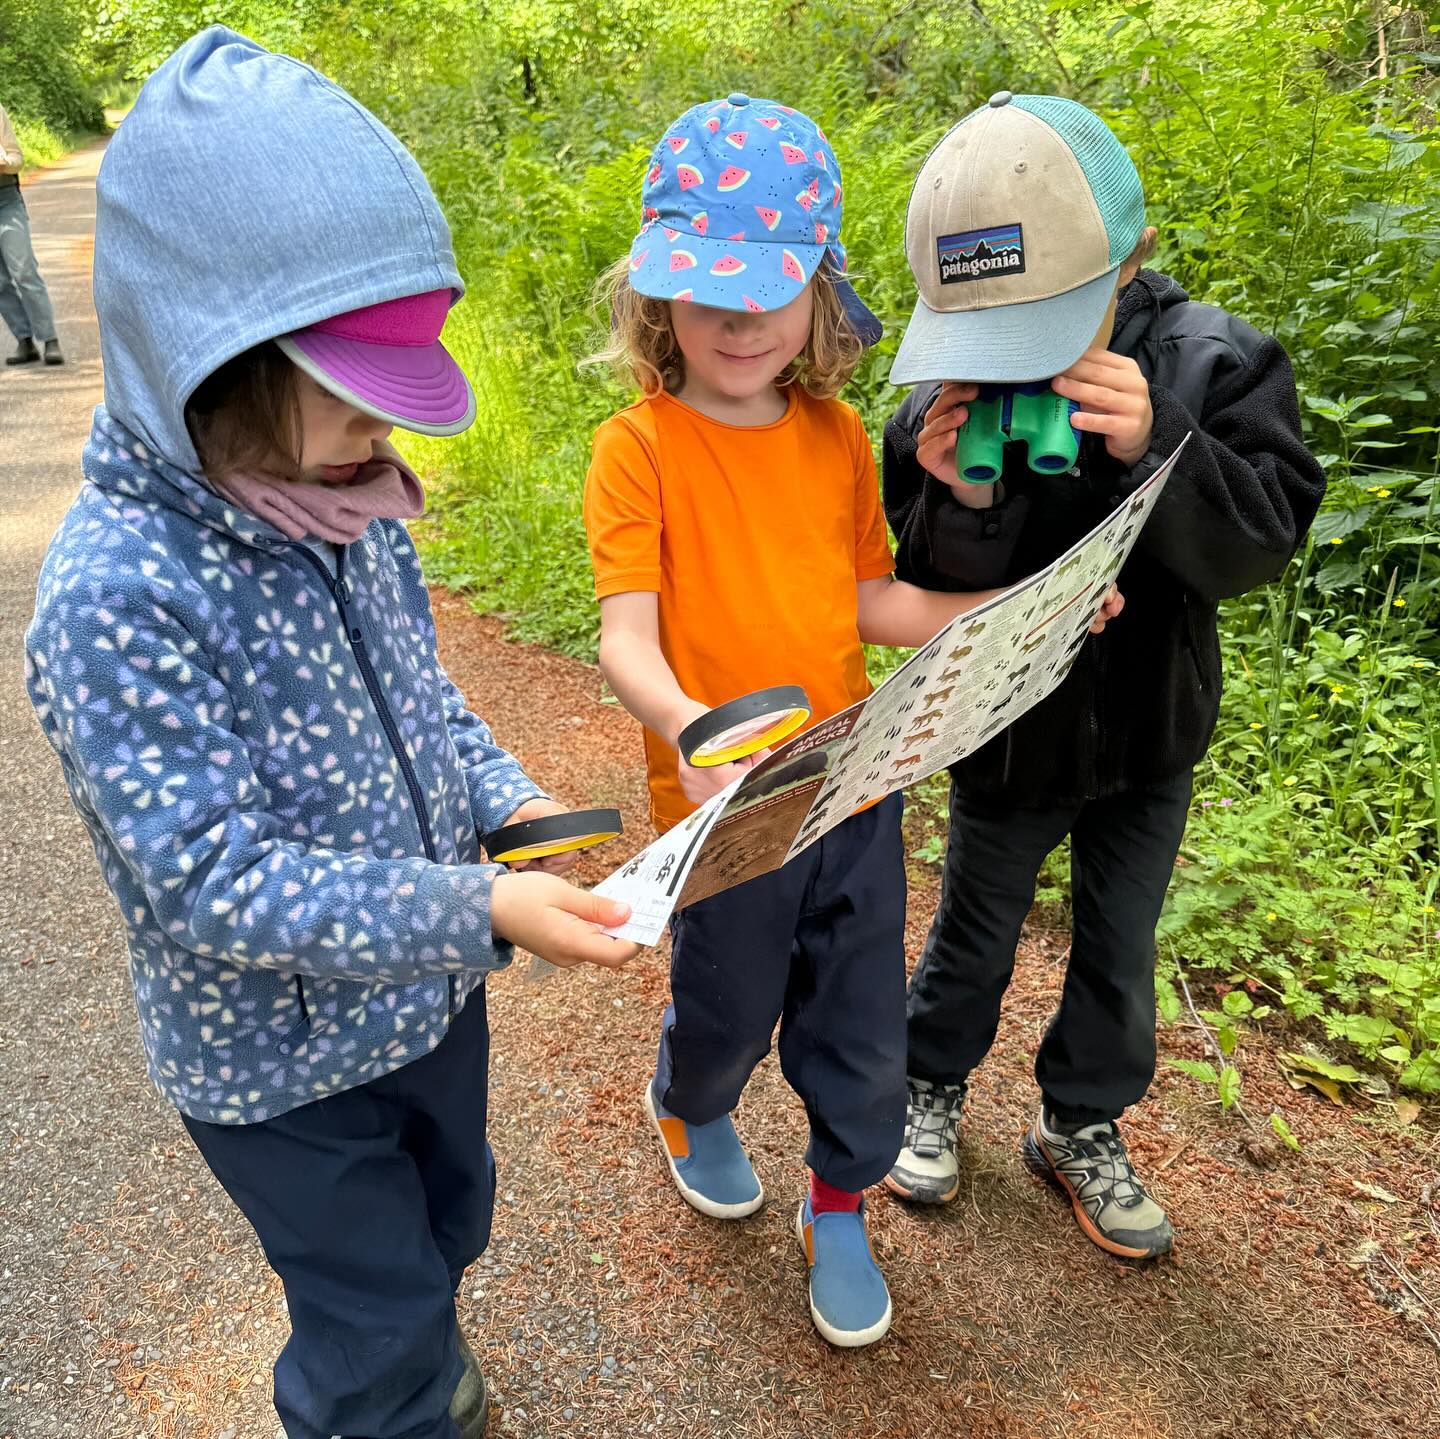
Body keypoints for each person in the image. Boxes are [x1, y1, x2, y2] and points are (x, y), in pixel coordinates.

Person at [24, 29, 638, 1439]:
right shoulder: (122, 596)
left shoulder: (348, 504)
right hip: (279, 1061)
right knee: (371, 1314)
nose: (385, 436)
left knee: (448, 1222)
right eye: (354, 396)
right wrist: (479, 901)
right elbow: (212, 880)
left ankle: (421, 1367)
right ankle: (390, 1402)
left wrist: (510, 803)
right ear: (208, 361)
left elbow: (425, 697)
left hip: (420, 995)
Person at [583, 93, 1121, 1346]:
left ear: (820, 297)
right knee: (724, 1016)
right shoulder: (637, 448)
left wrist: (1012, 610)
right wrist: (689, 722)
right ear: (657, 297)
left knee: (860, 1021)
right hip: (725, 808)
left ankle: (840, 1201)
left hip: (855, 786)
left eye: (768, 289)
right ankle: (691, 1102)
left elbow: (871, 599)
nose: (737, 317)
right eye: (705, 285)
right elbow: (626, 638)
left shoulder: (831, 438)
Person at [881, 92, 1325, 1259]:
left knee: (1120, 946)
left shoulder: (1211, 359)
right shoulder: (947, 384)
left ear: (1132, 255)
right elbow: (920, 577)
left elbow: (1262, 541)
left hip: (1149, 730)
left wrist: (1161, 439)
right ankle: (928, 1083)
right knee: (973, 929)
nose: (1013, 351)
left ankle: (1081, 1118)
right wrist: (958, 492)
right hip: (1007, 728)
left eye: (1043, 321)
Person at [0, 98, 63, 365]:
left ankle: (50, 340)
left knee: (23, 269)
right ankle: (24, 341)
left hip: (6, 198)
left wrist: (4, 162)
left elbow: (17, 158)